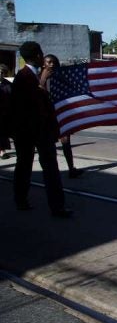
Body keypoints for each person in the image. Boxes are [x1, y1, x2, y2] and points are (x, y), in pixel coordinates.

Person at [10, 41, 72, 218]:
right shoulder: (25, 76)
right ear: (38, 55)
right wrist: (42, 81)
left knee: (41, 167)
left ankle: (51, 205)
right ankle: (30, 201)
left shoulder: (29, 75)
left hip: (37, 131)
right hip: (31, 131)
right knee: (32, 166)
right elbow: (32, 103)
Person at [39, 54, 83, 178]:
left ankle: (71, 169)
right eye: (49, 62)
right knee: (49, 147)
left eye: (54, 62)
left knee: (66, 143)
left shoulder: (61, 77)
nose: (52, 64)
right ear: (44, 64)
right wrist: (42, 80)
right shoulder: (38, 77)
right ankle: (51, 172)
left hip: (60, 115)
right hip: (46, 118)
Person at [0, 63, 12, 159]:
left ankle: (2, 151)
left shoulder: (8, 85)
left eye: (2, 72)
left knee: (2, 132)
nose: (0, 74)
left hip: (4, 113)